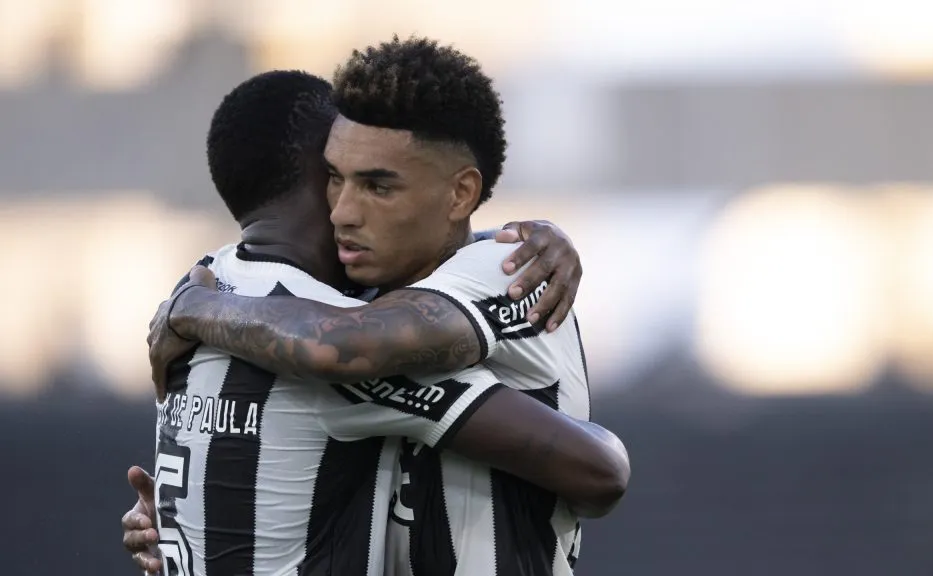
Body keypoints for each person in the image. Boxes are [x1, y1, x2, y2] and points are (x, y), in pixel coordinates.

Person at [123, 67, 628, 576]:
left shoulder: (210, 281)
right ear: (316, 174)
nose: (346, 209)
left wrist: (181, 521)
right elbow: (600, 469)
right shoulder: (328, 341)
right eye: (339, 176)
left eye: (375, 183)